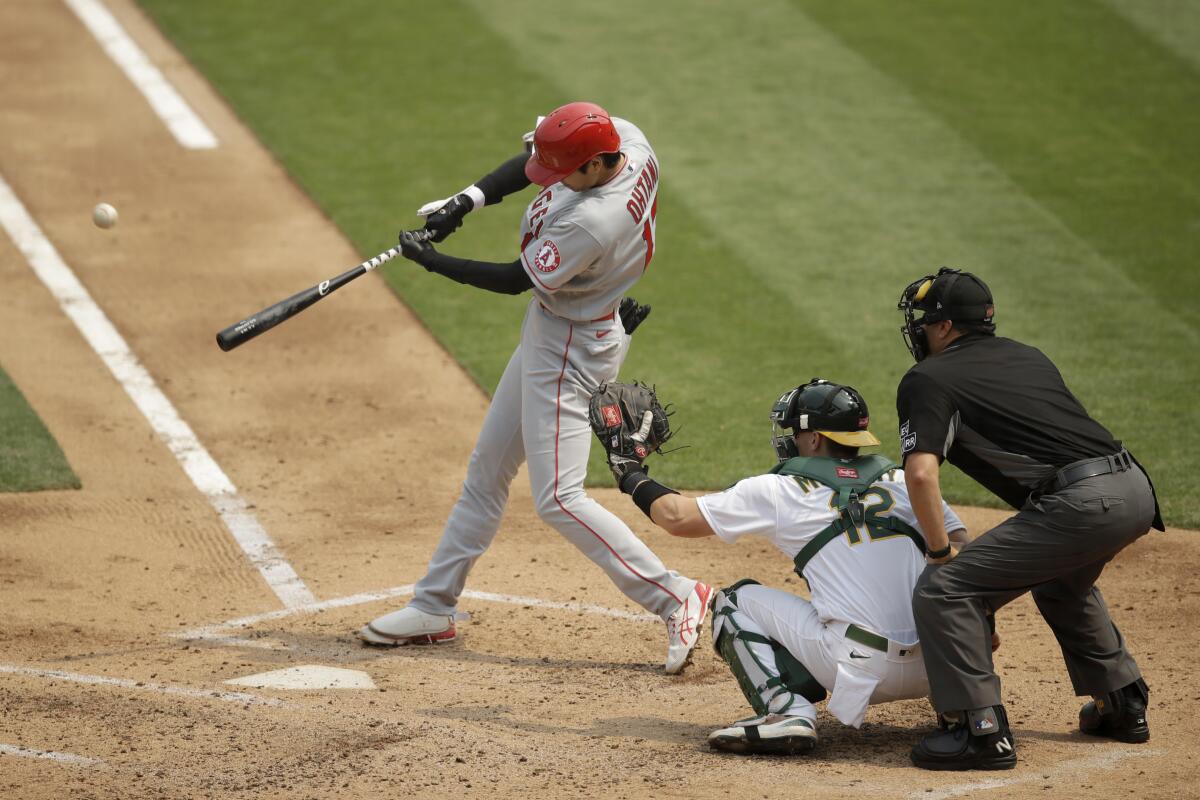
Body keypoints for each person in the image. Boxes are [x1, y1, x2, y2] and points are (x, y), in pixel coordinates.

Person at [358, 102, 712, 674]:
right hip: (562, 325)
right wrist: (466, 201)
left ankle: (675, 597)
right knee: (488, 468)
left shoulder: (592, 221)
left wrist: (432, 260)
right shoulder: (626, 139)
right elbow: (533, 156)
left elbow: (512, 279)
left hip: (571, 346)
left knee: (559, 498)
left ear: (598, 166)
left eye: (565, 172)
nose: (550, 179)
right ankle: (433, 606)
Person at [595, 378, 967, 755]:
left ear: (815, 439)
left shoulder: (781, 491)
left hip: (857, 671)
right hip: (937, 667)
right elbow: (972, 559)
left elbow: (676, 518)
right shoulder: (908, 483)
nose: (789, 437)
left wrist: (629, 472)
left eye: (794, 429)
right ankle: (960, 711)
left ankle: (787, 711)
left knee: (734, 600)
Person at [895, 267, 1164, 771]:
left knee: (946, 589)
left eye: (925, 322)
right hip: (1133, 489)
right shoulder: (1028, 355)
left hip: (1082, 503)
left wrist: (939, 554)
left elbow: (922, 476)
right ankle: (1123, 706)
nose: (919, 331)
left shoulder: (927, 379)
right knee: (1064, 585)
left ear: (946, 327)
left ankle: (980, 732)